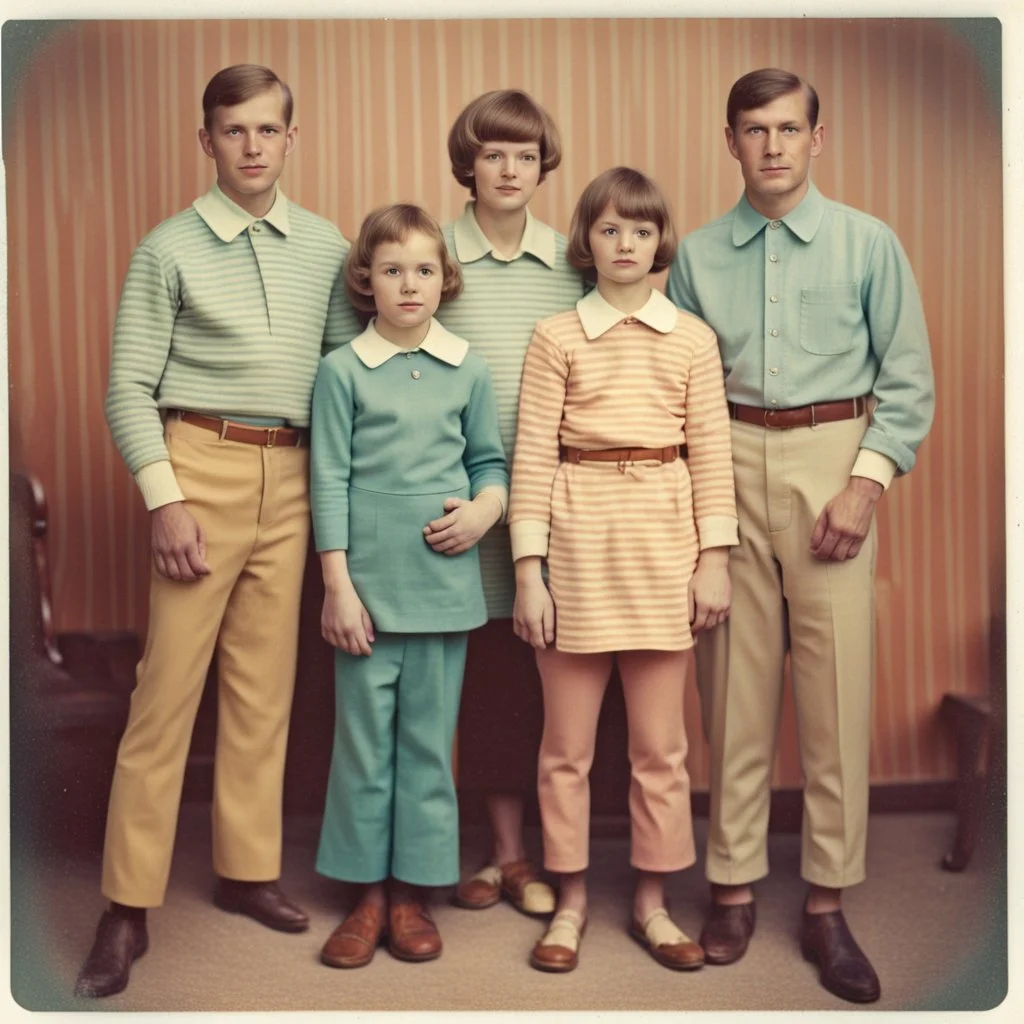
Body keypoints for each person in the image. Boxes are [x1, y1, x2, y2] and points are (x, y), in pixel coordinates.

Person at [75, 64, 361, 999]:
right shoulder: (167, 249)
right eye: (233, 131)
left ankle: (247, 872)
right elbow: (127, 387)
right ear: (207, 141)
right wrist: (165, 498)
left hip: (297, 475)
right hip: (199, 467)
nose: (252, 147)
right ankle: (126, 907)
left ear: (291, 138)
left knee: (262, 689)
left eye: (268, 130)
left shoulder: (324, 245)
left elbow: (339, 375)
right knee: (166, 699)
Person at [666, 67, 935, 1004]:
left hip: (834, 462)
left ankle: (827, 903)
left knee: (832, 697)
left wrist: (864, 487)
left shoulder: (868, 244)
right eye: (753, 130)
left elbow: (906, 383)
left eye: (788, 128)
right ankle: (732, 888)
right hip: (730, 460)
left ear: (817, 138)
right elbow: (686, 391)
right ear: (730, 141)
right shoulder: (697, 256)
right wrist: (702, 513)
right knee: (733, 690)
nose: (772, 145)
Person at [510, 167, 738, 973]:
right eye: (609, 230)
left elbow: (713, 458)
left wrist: (713, 562)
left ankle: (651, 901)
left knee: (660, 747)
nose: (626, 244)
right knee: (565, 749)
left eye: (640, 231)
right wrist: (529, 573)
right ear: (587, 242)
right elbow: (532, 457)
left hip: (663, 553)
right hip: (574, 550)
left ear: (659, 241)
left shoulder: (693, 340)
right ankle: (569, 901)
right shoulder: (556, 336)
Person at [312, 204, 508, 969]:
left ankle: (413, 893)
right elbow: (327, 478)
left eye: (424, 269)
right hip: (365, 592)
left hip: (444, 589)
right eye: (392, 270)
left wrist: (486, 510)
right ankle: (364, 893)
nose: (409, 284)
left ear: (444, 279)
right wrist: (337, 586)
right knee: (364, 747)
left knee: (428, 746)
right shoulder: (341, 371)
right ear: (367, 281)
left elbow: (490, 461)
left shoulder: (470, 366)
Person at [435, 89, 584, 919]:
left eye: (525, 155)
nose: (509, 169)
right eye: (493, 153)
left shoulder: (571, 261)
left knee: (536, 681)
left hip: (544, 507)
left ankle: (525, 855)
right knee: (476, 678)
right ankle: (495, 852)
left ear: (542, 165)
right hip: (449, 508)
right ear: (470, 161)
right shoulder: (432, 255)